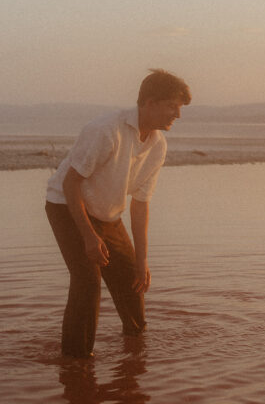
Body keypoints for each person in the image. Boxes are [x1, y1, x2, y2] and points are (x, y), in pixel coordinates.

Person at [45, 69, 191, 358]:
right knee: (87, 282)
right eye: (171, 106)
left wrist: (141, 260)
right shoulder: (105, 130)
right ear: (149, 103)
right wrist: (88, 237)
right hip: (67, 206)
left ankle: (136, 352)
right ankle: (76, 364)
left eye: (179, 108)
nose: (177, 115)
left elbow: (140, 204)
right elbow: (70, 183)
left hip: (108, 214)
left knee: (133, 283)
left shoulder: (158, 145)